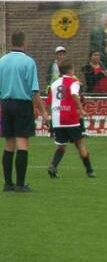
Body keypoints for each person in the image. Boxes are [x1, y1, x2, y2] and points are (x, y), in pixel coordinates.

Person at [0, 31, 50, 192]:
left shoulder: (2, 61)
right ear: (24, 42)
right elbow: (34, 91)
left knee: (9, 144)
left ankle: (8, 184)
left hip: (6, 104)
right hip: (22, 105)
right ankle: (21, 184)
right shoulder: (28, 62)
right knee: (22, 143)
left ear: (11, 42)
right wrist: (43, 112)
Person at [46, 60, 94, 178]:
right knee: (80, 144)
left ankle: (53, 166)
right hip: (71, 118)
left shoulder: (54, 84)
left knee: (61, 146)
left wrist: (48, 117)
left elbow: (48, 103)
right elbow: (74, 94)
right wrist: (81, 109)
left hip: (57, 120)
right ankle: (89, 170)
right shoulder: (74, 82)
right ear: (71, 70)